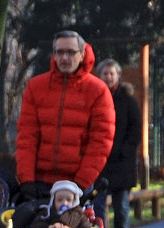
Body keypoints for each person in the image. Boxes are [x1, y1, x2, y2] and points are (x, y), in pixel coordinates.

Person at [14, 31, 115, 203]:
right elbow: (27, 137)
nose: (65, 58)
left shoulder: (98, 90)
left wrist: (81, 183)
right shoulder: (35, 87)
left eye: (71, 52)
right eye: (59, 52)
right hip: (39, 182)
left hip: (77, 184)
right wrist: (26, 180)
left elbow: (100, 143)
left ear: (82, 54)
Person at [93, 58, 142, 228]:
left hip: (122, 162)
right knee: (97, 206)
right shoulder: (94, 99)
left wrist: (126, 150)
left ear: (118, 76)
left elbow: (135, 128)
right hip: (99, 161)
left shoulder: (128, 100)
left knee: (121, 207)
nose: (109, 76)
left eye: (112, 73)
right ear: (100, 76)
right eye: (105, 73)